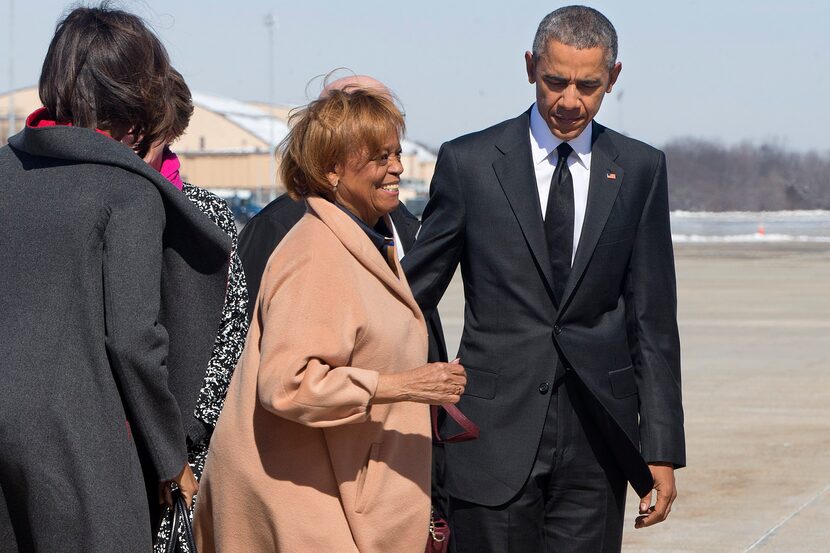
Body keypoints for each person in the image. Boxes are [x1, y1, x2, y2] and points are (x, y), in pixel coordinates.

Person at [402, 6, 686, 552]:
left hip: (597, 440)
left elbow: (653, 322)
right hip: (489, 435)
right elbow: (415, 295)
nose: (570, 101)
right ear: (530, 66)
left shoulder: (640, 169)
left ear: (614, 78)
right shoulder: (470, 163)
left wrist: (662, 449)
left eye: (589, 85)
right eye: (555, 81)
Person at [193, 88, 466, 552]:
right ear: (330, 170)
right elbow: (288, 384)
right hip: (304, 506)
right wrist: (402, 386)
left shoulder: (365, 239)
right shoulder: (316, 253)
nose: (398, 167)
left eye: (397, 153)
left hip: (337, 493)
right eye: (380, 157)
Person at [0, 5, 230, 552]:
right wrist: (170, 456)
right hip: (80, 447)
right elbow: (133, 339)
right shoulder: (127, 191)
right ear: (136, 97)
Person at [144, 70, 249, 553]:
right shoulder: (98, 203)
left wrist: (190, 435)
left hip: (191, 445)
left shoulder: (208, 213)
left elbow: (233, 328)